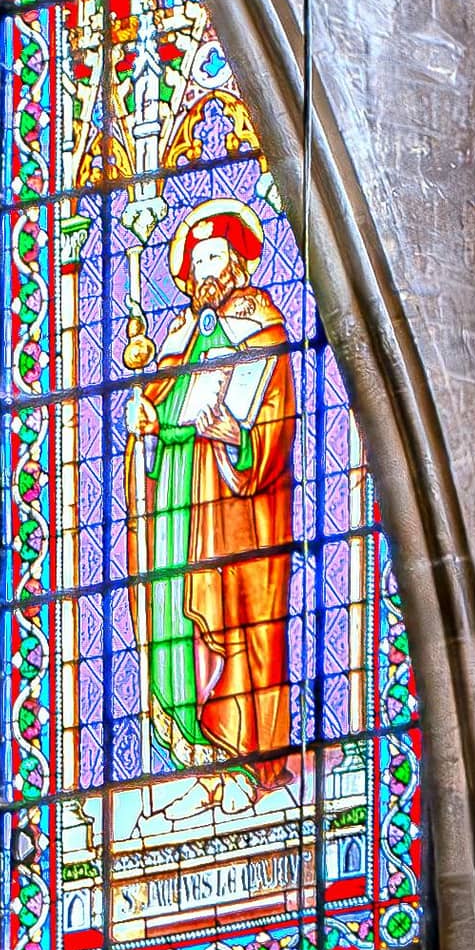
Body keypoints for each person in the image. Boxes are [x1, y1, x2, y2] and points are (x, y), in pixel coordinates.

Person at [133, 199, 299, 781]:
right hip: (186, 504)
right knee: (186, 616)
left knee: (245, 627)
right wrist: (150, 425)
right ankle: (201, 757)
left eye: (214, 255)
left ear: (237, 263)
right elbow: (164, 410)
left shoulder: (263, 330)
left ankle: (255, 764)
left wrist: (242, 439)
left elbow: (277, 415)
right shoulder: (180, 339)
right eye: (197, 259)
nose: (205, 269)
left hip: (242, 510)